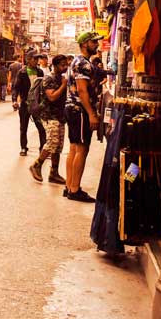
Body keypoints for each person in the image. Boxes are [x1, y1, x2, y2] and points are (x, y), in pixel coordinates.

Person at [64, 31, 104, 203]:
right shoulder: (83, 64)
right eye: (94, 42)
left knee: (74, 147)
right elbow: (82, 90)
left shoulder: (77, 61)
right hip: (79, 110)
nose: (97, 44)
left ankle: (69, 186)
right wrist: (91, 114)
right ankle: (74, 189)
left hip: (73, 109)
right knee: (82, 148)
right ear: (85, 43)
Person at [29, 54, 69, 184]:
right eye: (62, 65)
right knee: (52, 142)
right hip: (49, 115)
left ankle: (54, 173)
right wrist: (63, 86)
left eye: (66, 64)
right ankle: (37, 164)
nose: (65, 67)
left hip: (60, 116)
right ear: (55, 65)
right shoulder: (49, 78)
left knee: (58, 146)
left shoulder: (60, 78)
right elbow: (51, 97)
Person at [11, 52, 46, 155]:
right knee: (23, 127)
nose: (36, 61)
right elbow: (16, 88)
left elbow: (43, 88)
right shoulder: (22, 72)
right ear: (28, 59)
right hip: (25, 104)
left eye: (37, 59)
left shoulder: (40, 72)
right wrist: (14, 100)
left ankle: (42, 148)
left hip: (37, 104)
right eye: (34, 59)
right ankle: (23, 147)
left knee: (41, 127)